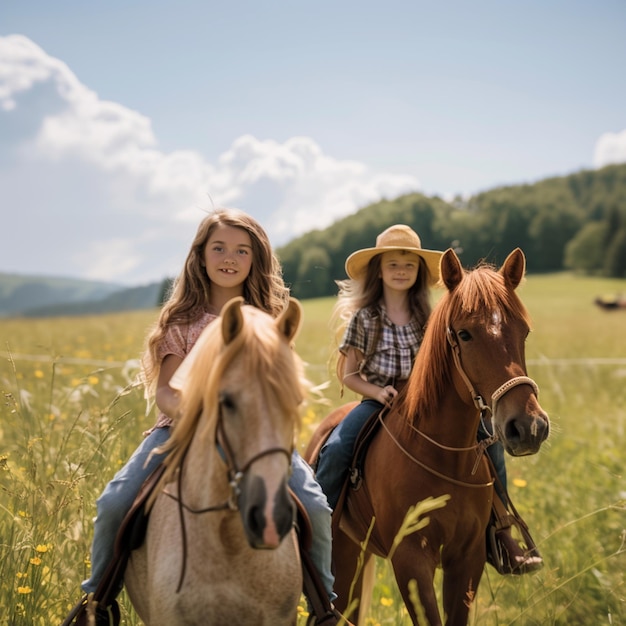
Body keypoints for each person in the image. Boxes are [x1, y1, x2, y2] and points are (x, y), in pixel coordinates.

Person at [65, 208, 346, 626]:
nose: (228, 257)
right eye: (218, 248)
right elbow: (165, 392)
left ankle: (325, 607)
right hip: (180, 432)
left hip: (255, 437)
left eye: (240, 250)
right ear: (200, 255)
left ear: (256, 259)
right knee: (114, 502)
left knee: (315, 506)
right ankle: (96, 604)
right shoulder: (181, 321)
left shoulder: (268, 322)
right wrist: (203, 417)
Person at [315, 224, 542, 574]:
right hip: (379, 401)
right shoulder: (365, 318)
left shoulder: (431, 316)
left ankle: (501, 534)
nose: (401, 271)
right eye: (393, 264)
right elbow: (348, 374)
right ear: (379, 271)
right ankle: (318, 535)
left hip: (424, 401)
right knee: (337, 447)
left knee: (490, 440)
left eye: (409, 265)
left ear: (420, 272)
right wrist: (378, 392)